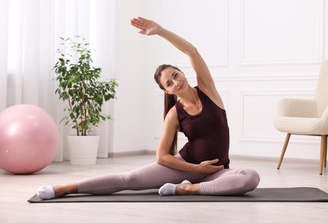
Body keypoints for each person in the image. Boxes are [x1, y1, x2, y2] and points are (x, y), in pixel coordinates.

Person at [37, 17, 260, 199]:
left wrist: (160, 30)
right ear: (167, 91)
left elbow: (192, 52)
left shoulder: (208, 91)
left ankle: (185, 189)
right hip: (186, 167)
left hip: (215, 173)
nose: (176, 82)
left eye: (175, 75)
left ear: (181, 72)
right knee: (127, 180)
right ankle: (62, 189)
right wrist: (195, 169)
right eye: (169, 83)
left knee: (250, 177)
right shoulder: (174, 114)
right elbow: (162, 157)